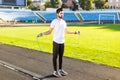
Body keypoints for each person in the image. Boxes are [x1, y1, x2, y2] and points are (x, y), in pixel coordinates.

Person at [37, 8, 80, 78]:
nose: (62, 14)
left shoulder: (64, 22)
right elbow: (49, 31)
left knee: (61, 57)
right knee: (55, 57)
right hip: (56, 42)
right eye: (61, 13)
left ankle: (60, 70)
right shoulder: (54, 21)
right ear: (57, 14)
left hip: (62, 42)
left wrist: (75, 32)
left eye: (63, 13)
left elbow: (66, 31)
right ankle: (55, 71)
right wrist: (42, 33)